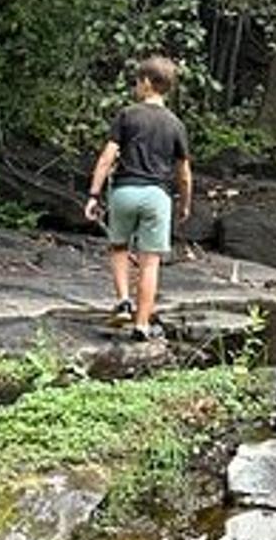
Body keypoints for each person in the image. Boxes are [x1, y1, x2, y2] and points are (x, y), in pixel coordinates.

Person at [83, 56, 194, 342]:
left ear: (146, 83)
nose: (135, 86)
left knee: (119, 247)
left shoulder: (127, 115)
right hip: (158, 196)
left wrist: (94, 195)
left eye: (137, 81)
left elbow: (107, 157)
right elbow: (183, 174)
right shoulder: (175, 124)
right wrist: (184, 205)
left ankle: (123, 300)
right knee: (150, 262)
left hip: (124, 192)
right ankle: (142, 325)